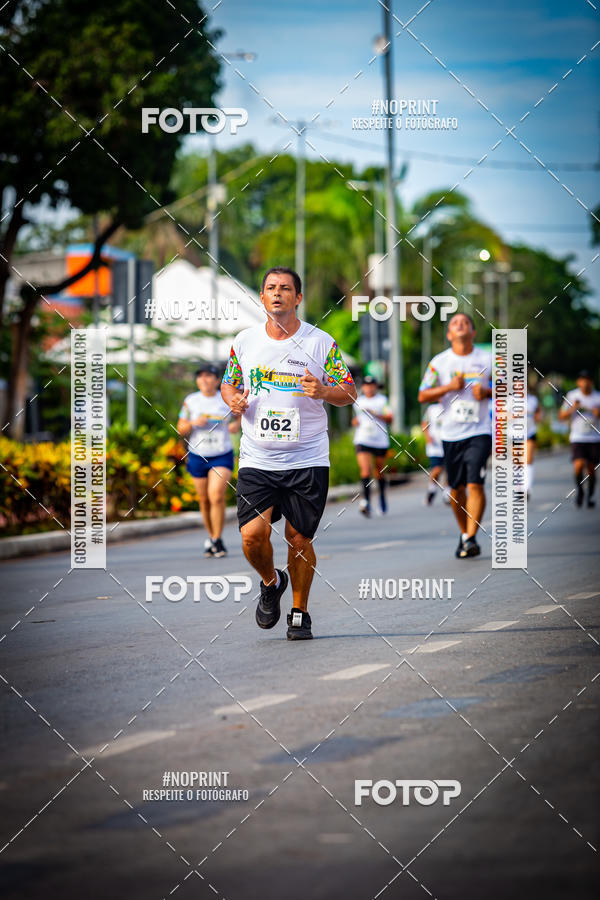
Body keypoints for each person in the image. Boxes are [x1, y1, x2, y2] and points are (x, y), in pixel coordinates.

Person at [221, 266, 356, 640]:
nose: (277, 293)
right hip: (258, 458)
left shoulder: (320, 343)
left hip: (307, 459)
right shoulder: (245, 342)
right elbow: (228, 383)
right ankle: (270, 581)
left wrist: (325, 392)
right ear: (262, 297)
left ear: (298, 298)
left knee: (299, 539)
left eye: (285, 288)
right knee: (252, 536)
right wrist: (233, 400)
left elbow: (349, 390)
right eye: (270, 288)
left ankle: (299, 611)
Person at [418, 312, 492, 558]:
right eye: (455, 323)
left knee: (475, 483)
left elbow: (510, 389)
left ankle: (471, 537)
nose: (460, 325)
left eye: (465, 323)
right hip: (450, 434)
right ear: (450, 334)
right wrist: (449, 387)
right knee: (456, 490)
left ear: (473, 332)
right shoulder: (439, 362)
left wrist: (489, 392)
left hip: (479, 431)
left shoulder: (489, 359)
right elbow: (422, 395)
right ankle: (464, 533)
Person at [177, 364, 240, 558]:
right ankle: (212, 537)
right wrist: (193, 423)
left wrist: (235, 426)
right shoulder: (191, 401)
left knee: (216, 495)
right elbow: (180, 428)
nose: (204, 380)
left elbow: (239, 417)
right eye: (200, 376)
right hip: (197, 454)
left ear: (216, 380)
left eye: (208, 376)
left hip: (221, 453)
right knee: (204, 500)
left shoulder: (225, 398)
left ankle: (217, 538)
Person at [558, 369, 600, 508]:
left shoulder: (597, 397)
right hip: (577, 437)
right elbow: (562, 416)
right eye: (582, 380)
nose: (585, 383)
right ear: (578, 382)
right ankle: (580, 491)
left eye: (587, 379)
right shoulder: (572, 396)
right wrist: (573, 408)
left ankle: (590, 496)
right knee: (578, 466)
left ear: (591, 382)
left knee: (591, 470)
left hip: (594, 438)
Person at [351, 375, 392, 516]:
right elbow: (356, 419)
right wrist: (355, 422)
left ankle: (382, 497)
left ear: (375, 386)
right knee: (365, 470)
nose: (368, 388)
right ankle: (366, 501)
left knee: (379, 472)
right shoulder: (358, 401)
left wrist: (374, 413)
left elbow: (390, 418)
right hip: (363, 439)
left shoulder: (383, 400)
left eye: (371, 385)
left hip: (380, 439)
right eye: (366, 385)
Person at [421, 401, 447, 505]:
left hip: (449, 443)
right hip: (435, 446)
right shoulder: (432, 408)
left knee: (449, 470)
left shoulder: (452, 405)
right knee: (437, 469)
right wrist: (427, 436)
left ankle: (447, 493)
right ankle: (432, 489)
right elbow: (424, 423)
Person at [526, 386, 542, 500]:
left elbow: (538, 411)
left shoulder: (532, 399)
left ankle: (527, 488)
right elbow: (502, 416)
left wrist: (536, 418)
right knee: (517, 462)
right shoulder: (509, 400)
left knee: (528, 460)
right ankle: (519, 488)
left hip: (529, 432)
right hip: (514, 434)